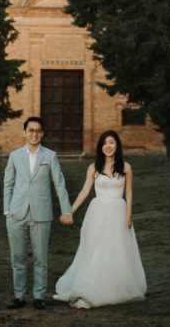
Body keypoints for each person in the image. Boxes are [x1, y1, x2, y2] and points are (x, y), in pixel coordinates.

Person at [54, 129, 147, 309]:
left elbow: (128, 192)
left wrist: (128, 216)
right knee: (95, 248)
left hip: (118, 212)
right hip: (98, 213)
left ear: (117, 145)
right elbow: (84, 192)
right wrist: (69, 211)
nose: (108, 146)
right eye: (105, 143)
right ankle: (91, 284)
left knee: (117, 249)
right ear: (100, 147)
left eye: (111, 142)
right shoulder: (94, 167)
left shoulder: (126, 167)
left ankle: (115, 285)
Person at [3, 116, 74, 310]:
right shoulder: (15, 155)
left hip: (41, 213)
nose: (34, 134)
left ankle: (39, 296)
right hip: (16, 213)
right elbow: (8, 183)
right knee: (17, 257)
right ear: (25, 132)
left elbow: (59, 184)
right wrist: (7, 210)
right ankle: (18, 296)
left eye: (38, 131)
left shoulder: (50, 156)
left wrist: (66, 210)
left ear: (42, 134)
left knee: (40, 257)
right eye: (31, 130)